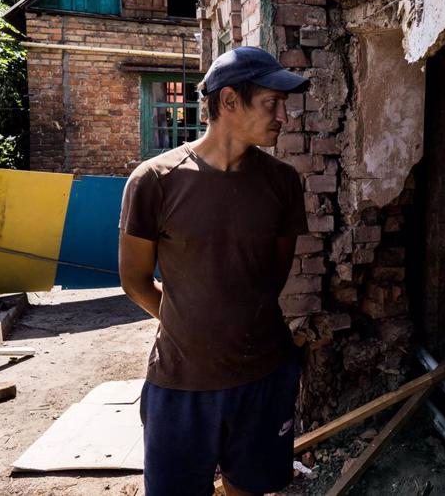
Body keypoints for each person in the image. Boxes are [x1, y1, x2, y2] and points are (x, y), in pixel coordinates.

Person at [118, 46, 310, 496]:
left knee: (250, 487)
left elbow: (271, 279)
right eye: (271, 103)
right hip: (182, 385)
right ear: (228, 101)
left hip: (265, 376)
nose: (284, 115)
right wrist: (188, 323)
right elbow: (134, 280)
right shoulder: (155, 181)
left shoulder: (282, 182)